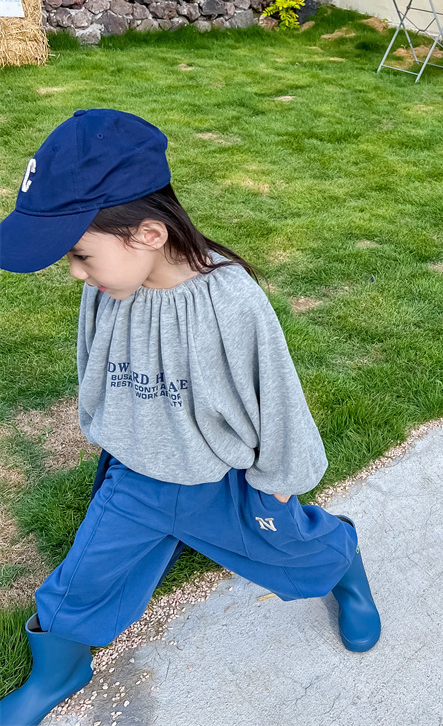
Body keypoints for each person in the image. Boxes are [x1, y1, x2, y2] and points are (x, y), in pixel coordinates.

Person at [0, 109, 381, 726]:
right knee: (82, 581)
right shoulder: (108, 289)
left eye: (80, 254)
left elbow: (276, 396)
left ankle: (344, 563)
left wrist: (282, 481)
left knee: (295, 553)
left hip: (221, 484)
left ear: (148, 234)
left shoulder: (233, 302)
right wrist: (109, 428)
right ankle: (59, 670)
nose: (75, 272)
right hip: (135, 480)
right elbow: (94, 367)